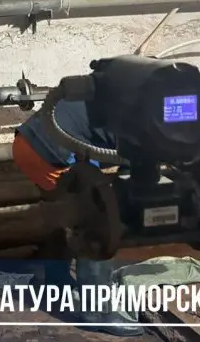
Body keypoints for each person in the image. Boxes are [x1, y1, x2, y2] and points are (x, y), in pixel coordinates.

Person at [14, 98, 143, 337]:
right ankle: (97, 313)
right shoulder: (151, 123)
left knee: (64, 213)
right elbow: (130, 181)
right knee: (99, 223)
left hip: (27, 143)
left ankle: (55, 283)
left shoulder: (133, 92)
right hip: (53, 152)